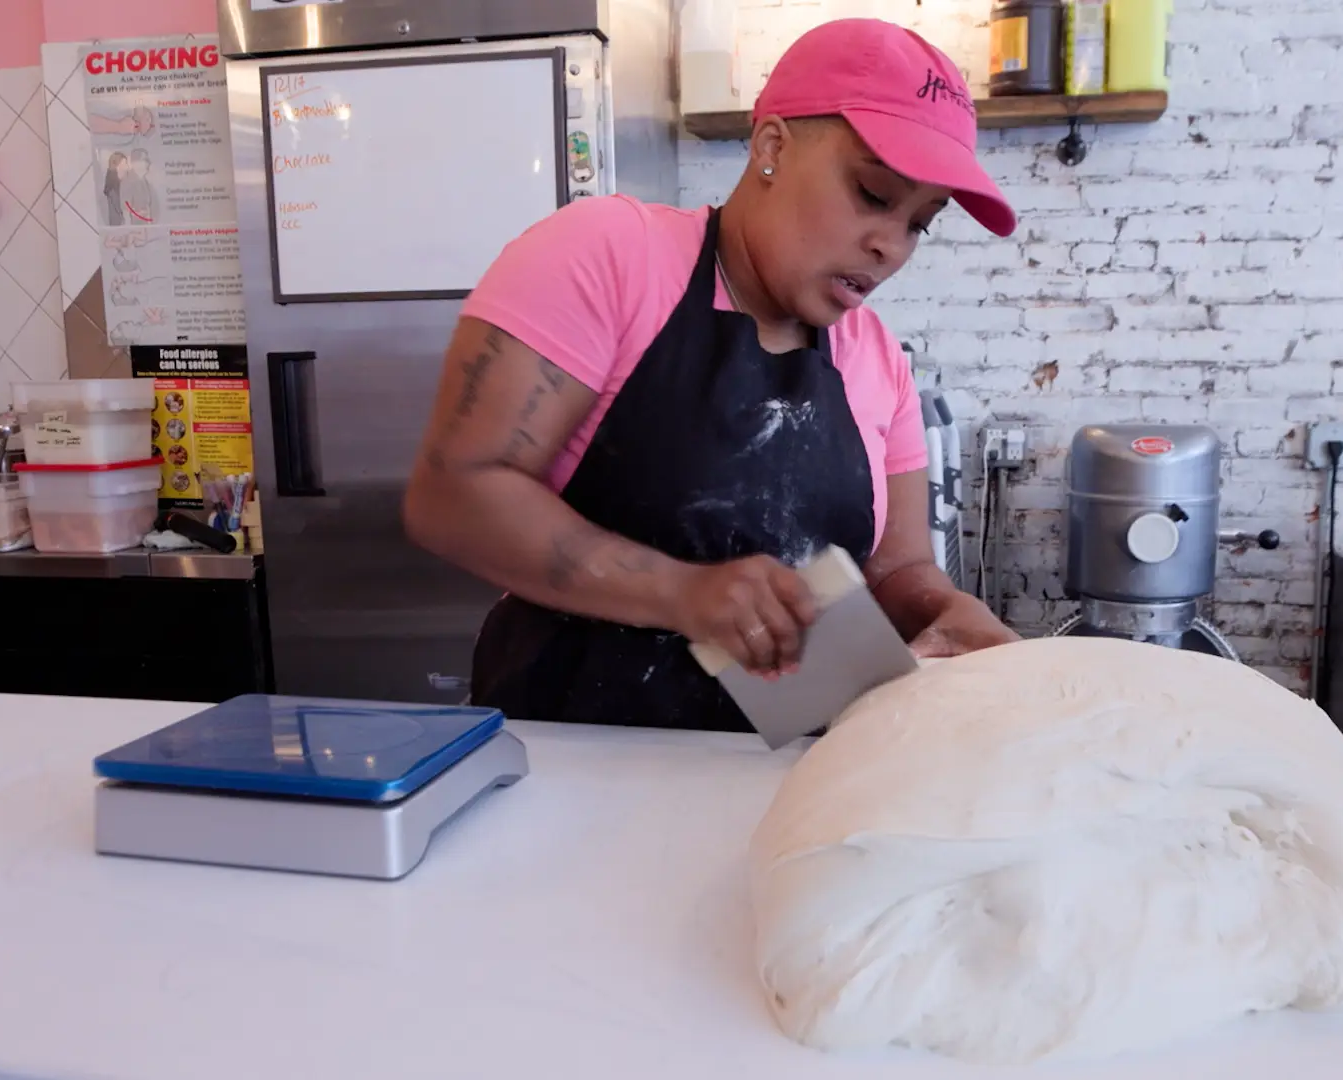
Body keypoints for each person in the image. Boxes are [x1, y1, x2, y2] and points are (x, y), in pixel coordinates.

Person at [403, 19, 1022, 730]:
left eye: (920, 223)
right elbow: (453, 495)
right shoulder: (610, 257)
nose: (891, 247)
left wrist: (948, 610)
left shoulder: (877, 357)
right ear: (772, 147)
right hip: (573, 754)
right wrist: (681, 593)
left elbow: (896, 570)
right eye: (874, 194)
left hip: (791, 767)